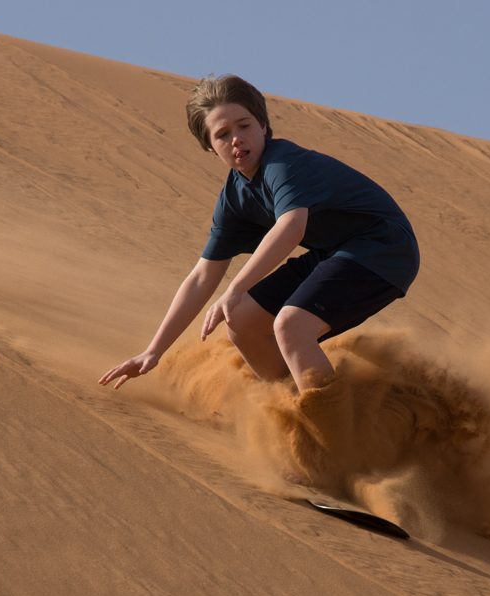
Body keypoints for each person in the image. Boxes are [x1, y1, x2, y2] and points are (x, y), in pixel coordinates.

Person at [99, 75, 419, 395]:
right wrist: (153, 351)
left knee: (290, 326)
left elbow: (291, 227)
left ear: (263, 126)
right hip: (335, 252)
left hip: (383, 247)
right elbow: (201, 277)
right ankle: (298, 403)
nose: (237, 139)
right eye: (223, 134)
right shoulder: (234, 198)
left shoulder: (282, 165)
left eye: (245, 126)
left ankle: (334, 428)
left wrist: (236, 288)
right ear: (210, 147)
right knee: (242, 321)